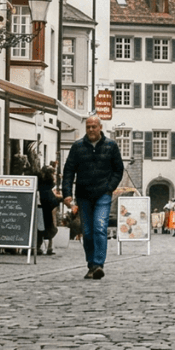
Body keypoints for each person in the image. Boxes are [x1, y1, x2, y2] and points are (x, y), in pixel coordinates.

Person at [59, 116, 125, 279]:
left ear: (100, 127)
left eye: (94, 127)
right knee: (87, 232)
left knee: (100, 227)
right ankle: (91, 264)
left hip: (103, 194)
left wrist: (110, 188)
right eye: (88, 127)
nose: (91, 130)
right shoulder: (78, 146)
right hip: (84, 195)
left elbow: (118, 170)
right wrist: (67, 193)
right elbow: (68, 171)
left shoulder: (111, 146)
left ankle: (98, 264)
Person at [36, 166, 62, 257]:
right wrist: (58, 200)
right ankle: (47, 247)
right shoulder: (47, 186)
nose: (54, 176)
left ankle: (40, 247)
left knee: (41, 227)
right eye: (53, 174)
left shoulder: (41, 184)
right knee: (49, 226)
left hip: (42, 205)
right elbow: (50, 199)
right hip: (46, 207)